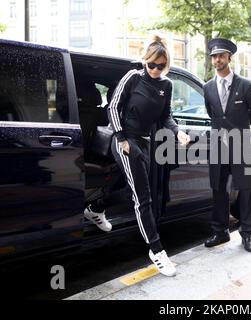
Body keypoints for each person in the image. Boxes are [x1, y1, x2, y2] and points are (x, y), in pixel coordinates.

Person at [84, 35, 190, 277]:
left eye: (160, 66)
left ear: (166, 65)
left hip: (144, 143)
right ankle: (157, 251)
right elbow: (113, 106)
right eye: (150, 64)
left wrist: (178, 132)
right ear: (145, 61)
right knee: (143, 198)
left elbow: (166, 117)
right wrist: (121, 138)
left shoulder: (167, 86)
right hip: (124, 140)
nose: (154, 69)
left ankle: (95, 208)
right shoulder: (133, 77)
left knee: (136, 190)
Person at [203, 38, 251, 253]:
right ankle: (220, 232)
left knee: (247, 190)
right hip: (218, 146)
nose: (217, 59)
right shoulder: (208, 87)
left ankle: (247, 235)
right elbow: (213, 114)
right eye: (214, 56)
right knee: (218, 189)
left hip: (242, 144)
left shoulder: (246, 85)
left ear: (229, 57)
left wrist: (239, 125)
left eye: (221, 55)